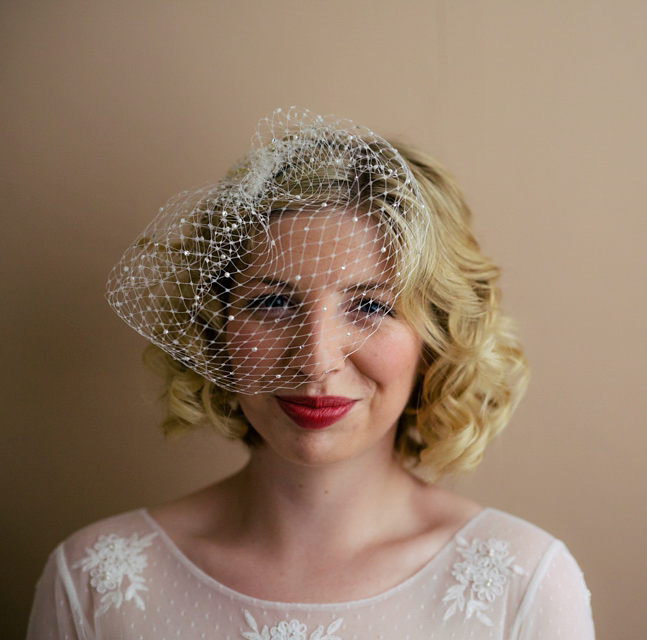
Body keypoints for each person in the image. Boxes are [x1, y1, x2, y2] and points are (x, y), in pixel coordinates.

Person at [26, 109, 595, 640]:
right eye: (273, 303)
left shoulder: (524, 585)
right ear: (215, 328)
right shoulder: (92, 584)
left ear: (437, 336)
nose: (316, 359)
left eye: (371, 307)